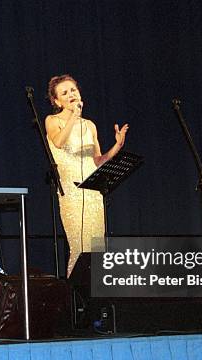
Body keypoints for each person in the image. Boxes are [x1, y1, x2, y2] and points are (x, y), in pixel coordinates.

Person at [45, 74, 129, 277]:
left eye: (73, 90)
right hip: (72, 193)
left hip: (93, 193)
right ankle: (75, 301)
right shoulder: (52, 120)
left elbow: (97, 161)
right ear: (57, 101)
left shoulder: (89, 125)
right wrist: (73, 116)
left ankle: (95, 300)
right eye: (64, 93)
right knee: (79, 248)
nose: (71, 94)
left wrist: (117, 146)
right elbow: (58, 142)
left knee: (96, 250)